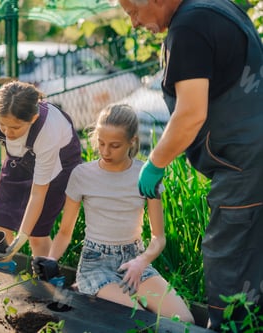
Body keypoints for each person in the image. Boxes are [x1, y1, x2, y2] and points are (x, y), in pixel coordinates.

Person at [115, 0, 263, 330]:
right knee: (254, 254)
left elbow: (191, 113)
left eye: (133, 12)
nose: (135, 24)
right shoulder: (217, 8)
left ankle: (228, 329)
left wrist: (155, 163)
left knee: (230, 255)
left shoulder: (189, 26)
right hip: (250, 156)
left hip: (244, 162)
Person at [33, 104, 194, 323]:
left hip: (134, 261)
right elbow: (64, 232)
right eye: (101, 144)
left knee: (184, 322)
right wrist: (51, 260)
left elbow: (159, 238)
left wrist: (141, 262)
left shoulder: (145, 176)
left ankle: (86, 292)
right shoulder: (82, 174)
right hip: (95, 264)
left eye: (115, 146)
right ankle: (87, 286)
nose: (106, 151)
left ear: (132, 141)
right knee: (141, 321)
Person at [0, 81, 82, 259]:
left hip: (58, 167)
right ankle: (2, 271)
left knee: (36, 234)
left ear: (33, 118)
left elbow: (38, 194)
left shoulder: (48, 130)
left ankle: (45, 277)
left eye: (15, 127)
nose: (7, 132)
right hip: (19, 162)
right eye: (3, 124)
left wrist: (23, 235)